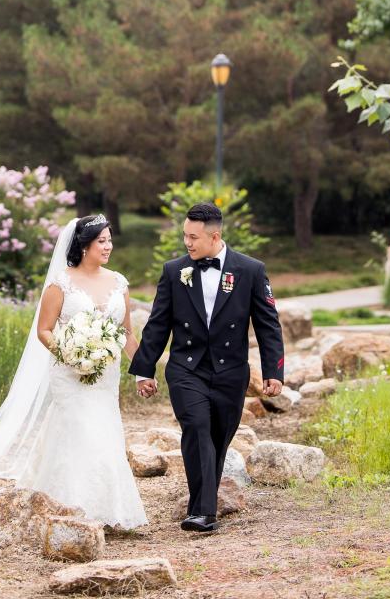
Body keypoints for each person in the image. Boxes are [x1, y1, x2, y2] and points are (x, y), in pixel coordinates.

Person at [0, 214, 147, 529]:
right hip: (70, 374)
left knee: (105, 433)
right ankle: (73, 509)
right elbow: (44, 330)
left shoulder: (119, 283)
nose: (108, 246)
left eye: (110, 240)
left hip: (106, 377)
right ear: (84, 245)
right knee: (80, 431)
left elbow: (126, 333)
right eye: (101, 241)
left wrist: (143, 372)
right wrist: (72, 354)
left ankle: (106, 508)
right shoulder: (61, 283)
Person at [130, 201, 284, 533]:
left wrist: (274, 370)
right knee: (197, 427)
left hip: (231, 372)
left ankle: (203, 507)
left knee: (217, 437)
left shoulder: (251, 270)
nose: (187, 243)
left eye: (193, 237)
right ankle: (203, 512)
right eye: (185, 235)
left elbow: (268, 324)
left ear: (215, 237)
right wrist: (144, 370)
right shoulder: (174, 271)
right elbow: (158, 324)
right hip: (187, 368)